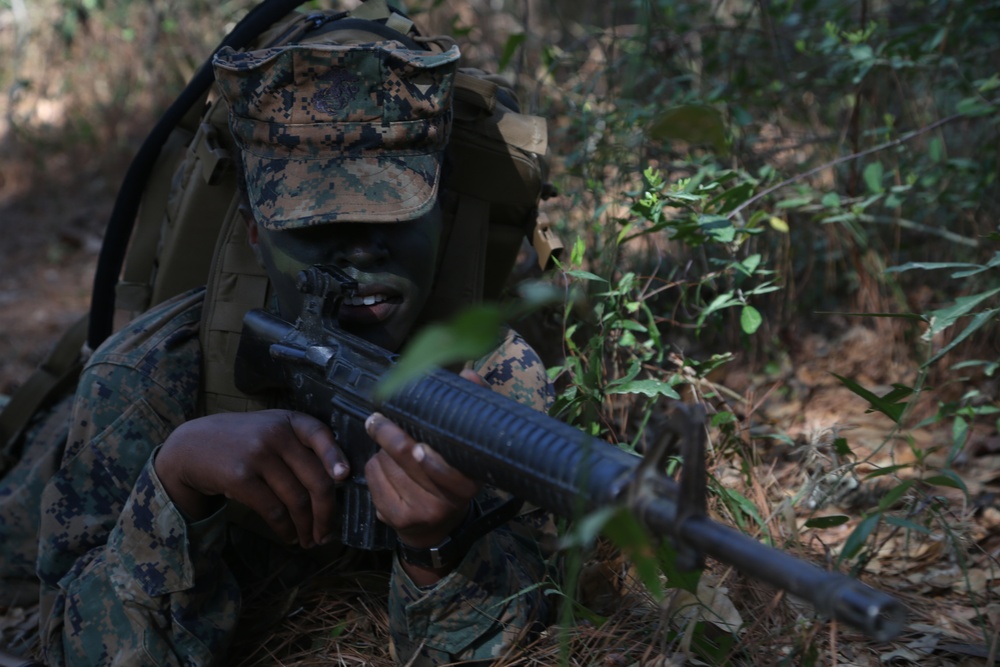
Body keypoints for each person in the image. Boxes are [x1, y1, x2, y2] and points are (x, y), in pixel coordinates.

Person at [1, 38, 555, 665]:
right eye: (315, 224)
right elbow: (76, 647)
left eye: (395, 215)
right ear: (253, 232)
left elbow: (519, 628)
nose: (361, 252)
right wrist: (177, 480)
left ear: (443, 217)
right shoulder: (147, 374)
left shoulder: (492, 380)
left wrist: (438, 545)